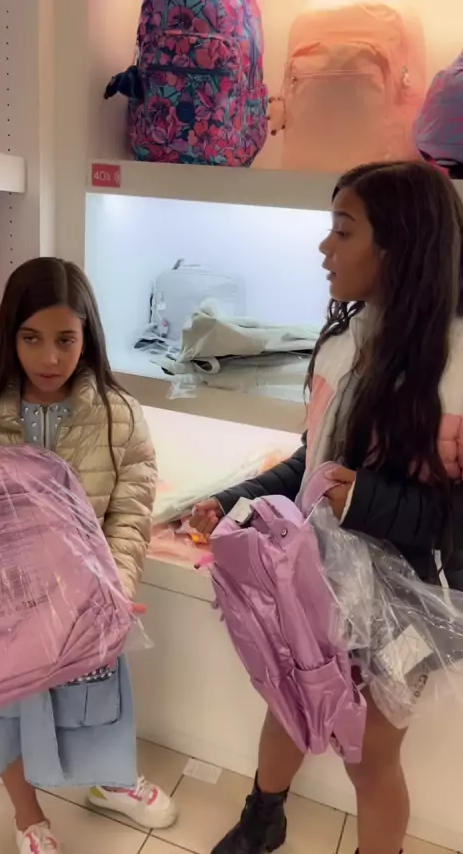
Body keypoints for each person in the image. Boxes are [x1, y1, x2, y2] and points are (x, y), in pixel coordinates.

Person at [190, 161, 463, 854]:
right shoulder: (345, 342)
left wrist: (367, 500)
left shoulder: (457, 366)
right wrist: (232, 502)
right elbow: (314, 466)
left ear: (398, 244)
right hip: (320, 575)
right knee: (291, 698)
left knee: (369, 755)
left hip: (415, 603)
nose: (324, 249)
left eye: (343, 231)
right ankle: (263, 818)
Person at [0, 258, 177, 853]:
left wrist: (116, 587)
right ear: (9, 335)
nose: (49, 358)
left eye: (65, 340)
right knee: (4, 711)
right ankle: (27, 815)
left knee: (98, 700)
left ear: (87, 336)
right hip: (7, 608)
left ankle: (109, 780)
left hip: (86, 604)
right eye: (31, 338)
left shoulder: (118, 414)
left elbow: (131, 507)